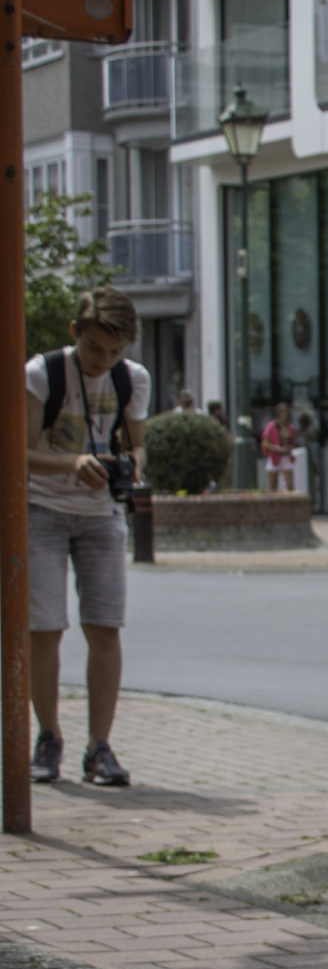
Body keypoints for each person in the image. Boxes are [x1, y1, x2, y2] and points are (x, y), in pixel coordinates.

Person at [26, 287, 150, 787]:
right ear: (76, 334)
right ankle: (48, 736)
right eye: (96, 348)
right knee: (45, 627)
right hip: (43, 508)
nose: (105, 361)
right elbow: (16, 452)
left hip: (102, 516)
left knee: (105, 627)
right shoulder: (41, 374)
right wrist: (71, 463)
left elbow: (137, 446)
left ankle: (99, 748)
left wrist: (131, 465)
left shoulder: (131, 379)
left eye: (116, 351)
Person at [261, 401, 296, 492]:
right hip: (275, 456)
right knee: (273, 487)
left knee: (290, 486)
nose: (285, 414)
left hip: (286, 456)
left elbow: (291, 442)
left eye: (286, 412)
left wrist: (288, 448)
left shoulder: (290, 427)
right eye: (282, 412)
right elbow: (265, 443)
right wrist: (277, 448)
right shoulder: (272, 426)